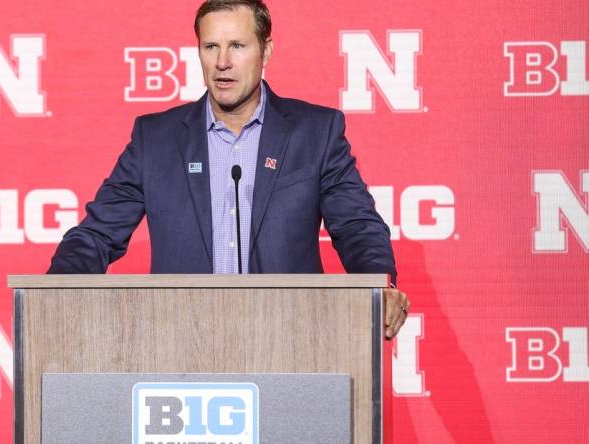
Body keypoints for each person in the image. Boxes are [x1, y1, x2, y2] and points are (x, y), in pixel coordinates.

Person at [48, 0, 409, 338]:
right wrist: (51, 292)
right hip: (180, 345)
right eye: (211, 47)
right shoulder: (156, 139)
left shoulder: (315, 132)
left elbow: (356, 226)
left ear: (265, 51)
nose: (223, 62)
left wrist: (380, 286)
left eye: (237, 45)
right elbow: (96, 235)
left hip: (291, 342)